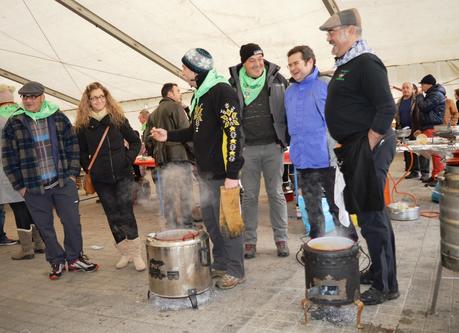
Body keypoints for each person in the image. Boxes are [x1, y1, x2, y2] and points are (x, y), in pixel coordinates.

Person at [319, 8, 399, 305]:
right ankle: (381, 270)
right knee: (368, 215)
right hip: (356, 148)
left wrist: (367, 144)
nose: (329, 39)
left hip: (369, 146)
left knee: (372, 216)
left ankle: (386, 284)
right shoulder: (347, 63)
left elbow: (387, 108)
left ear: (351, 31)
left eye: (332, 32)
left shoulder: (367, 62)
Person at [151, 48, 245, 289]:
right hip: (205, 173)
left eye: (184, 67)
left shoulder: (221, 91)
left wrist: (233, 174)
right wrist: (168, 135)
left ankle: (236, 270)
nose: (182, 71)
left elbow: (234, 132)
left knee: (228, 223)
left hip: (223, 174)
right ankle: (222, 263)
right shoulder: (200, 95)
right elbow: (195, 131)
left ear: (194, 69)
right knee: (212, 223)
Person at [2, 81, 98, 279]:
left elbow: (73, 145)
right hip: (33, 187)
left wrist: (72, 174)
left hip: (62, 182)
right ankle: (56, 261)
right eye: (25, 97)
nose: (28, 101)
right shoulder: (15, 122)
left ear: (42, 97)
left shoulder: (57, 117)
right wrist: (20, 187)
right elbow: (8, 156)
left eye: (33, 97)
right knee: (45, 228)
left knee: (72, 222)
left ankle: (74, 258)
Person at [284, 45, 357, 240]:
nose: (292, 69)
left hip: (328, 158)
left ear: (309, 61)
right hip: (303, 160)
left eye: (296, 63)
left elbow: (341, 120)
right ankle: (318, 247)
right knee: (311, 207)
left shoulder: (327, 84)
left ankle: (349, 245)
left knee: (337, 205)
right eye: (289, 65)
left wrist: (339, 151)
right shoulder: (289, 92)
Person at [76, 82, 145, 272]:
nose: (98, 100)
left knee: (126, 213)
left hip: (123, 175)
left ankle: (136, 253)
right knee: (112, 215)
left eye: (100, 96)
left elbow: (134, 141)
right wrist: (89, 167)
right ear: (88, 101)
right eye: (93, 98)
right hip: (101, 179)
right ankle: (125, 253)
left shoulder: (117, 119)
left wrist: (127, 159)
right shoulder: (83, 125)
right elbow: (81, 152)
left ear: (106, 97)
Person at [229, 43, 289, 259]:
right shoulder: (233, 85)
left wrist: (286, 138)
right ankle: (249, 242)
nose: (257, 64)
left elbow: (289, 108)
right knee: (250, 196)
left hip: (273, 147)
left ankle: (281, 239)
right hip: (248, 150)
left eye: (260, 59)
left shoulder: (278, 80)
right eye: (252, 60)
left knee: (276, 193)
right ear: (244, 63)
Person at [0, 84, 45, 257]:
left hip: (7, 170)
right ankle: (39, 243)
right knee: (30, 205)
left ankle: (27, 249)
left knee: (19, 207)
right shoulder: (24, 111)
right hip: (30, 167)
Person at [144, 83, 193, 228]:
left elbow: (147, 139)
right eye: (178, 91)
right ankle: (187, 224)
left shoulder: (153, 114)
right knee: (185, 191)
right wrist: (194, 155)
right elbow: (186, 133)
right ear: (170, 94)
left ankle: (171, 224)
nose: (180, 94)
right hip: (179, 157)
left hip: (162, 159)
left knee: (168, 194)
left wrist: (156, 151)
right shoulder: (176, 107)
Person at [416, 74, 446, 186]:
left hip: (432, 126)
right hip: (428, 126)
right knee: (433, 153)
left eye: (422, 84)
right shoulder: (432, 94)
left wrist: (419, 96)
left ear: (428, 85)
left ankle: (438, 177)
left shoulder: (436, 94)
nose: (421, 87)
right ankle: (434, 175)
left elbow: (424, 107)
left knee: (436, 153)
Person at [394, 82, 425, 179]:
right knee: (407, 151)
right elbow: (397, 115)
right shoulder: (400, 101)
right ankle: (412, 171)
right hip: (403, 131)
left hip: (415, 129)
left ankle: (422, 172)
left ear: (413, 89)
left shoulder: (416, 100)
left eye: (407, 88)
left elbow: (420, 114)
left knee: (417, 151)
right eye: (403, 88)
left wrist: (420, 128)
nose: (405, 89)